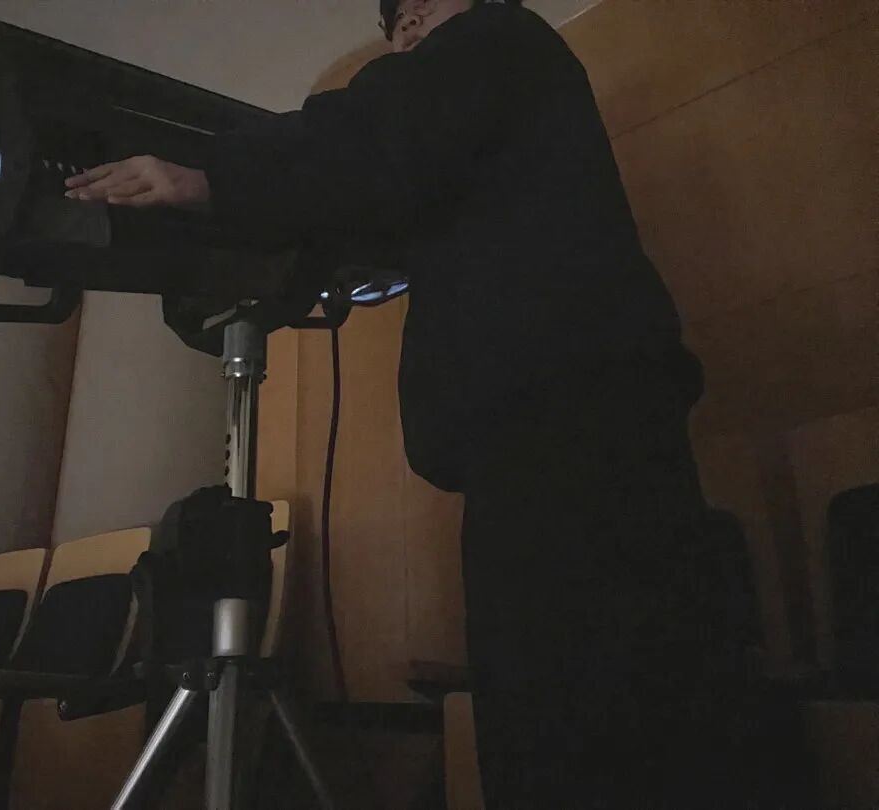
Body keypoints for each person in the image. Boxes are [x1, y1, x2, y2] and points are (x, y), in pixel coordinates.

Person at [67, 1, 790, 806]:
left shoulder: (500, 35)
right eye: (393, 21)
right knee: (585, 705)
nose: (403, 27)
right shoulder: (481, 124)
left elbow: (376, 136)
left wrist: (208, 179)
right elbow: (378, 176)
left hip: (564, 428)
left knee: (581, 716)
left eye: (419, 7)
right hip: (553, 428)